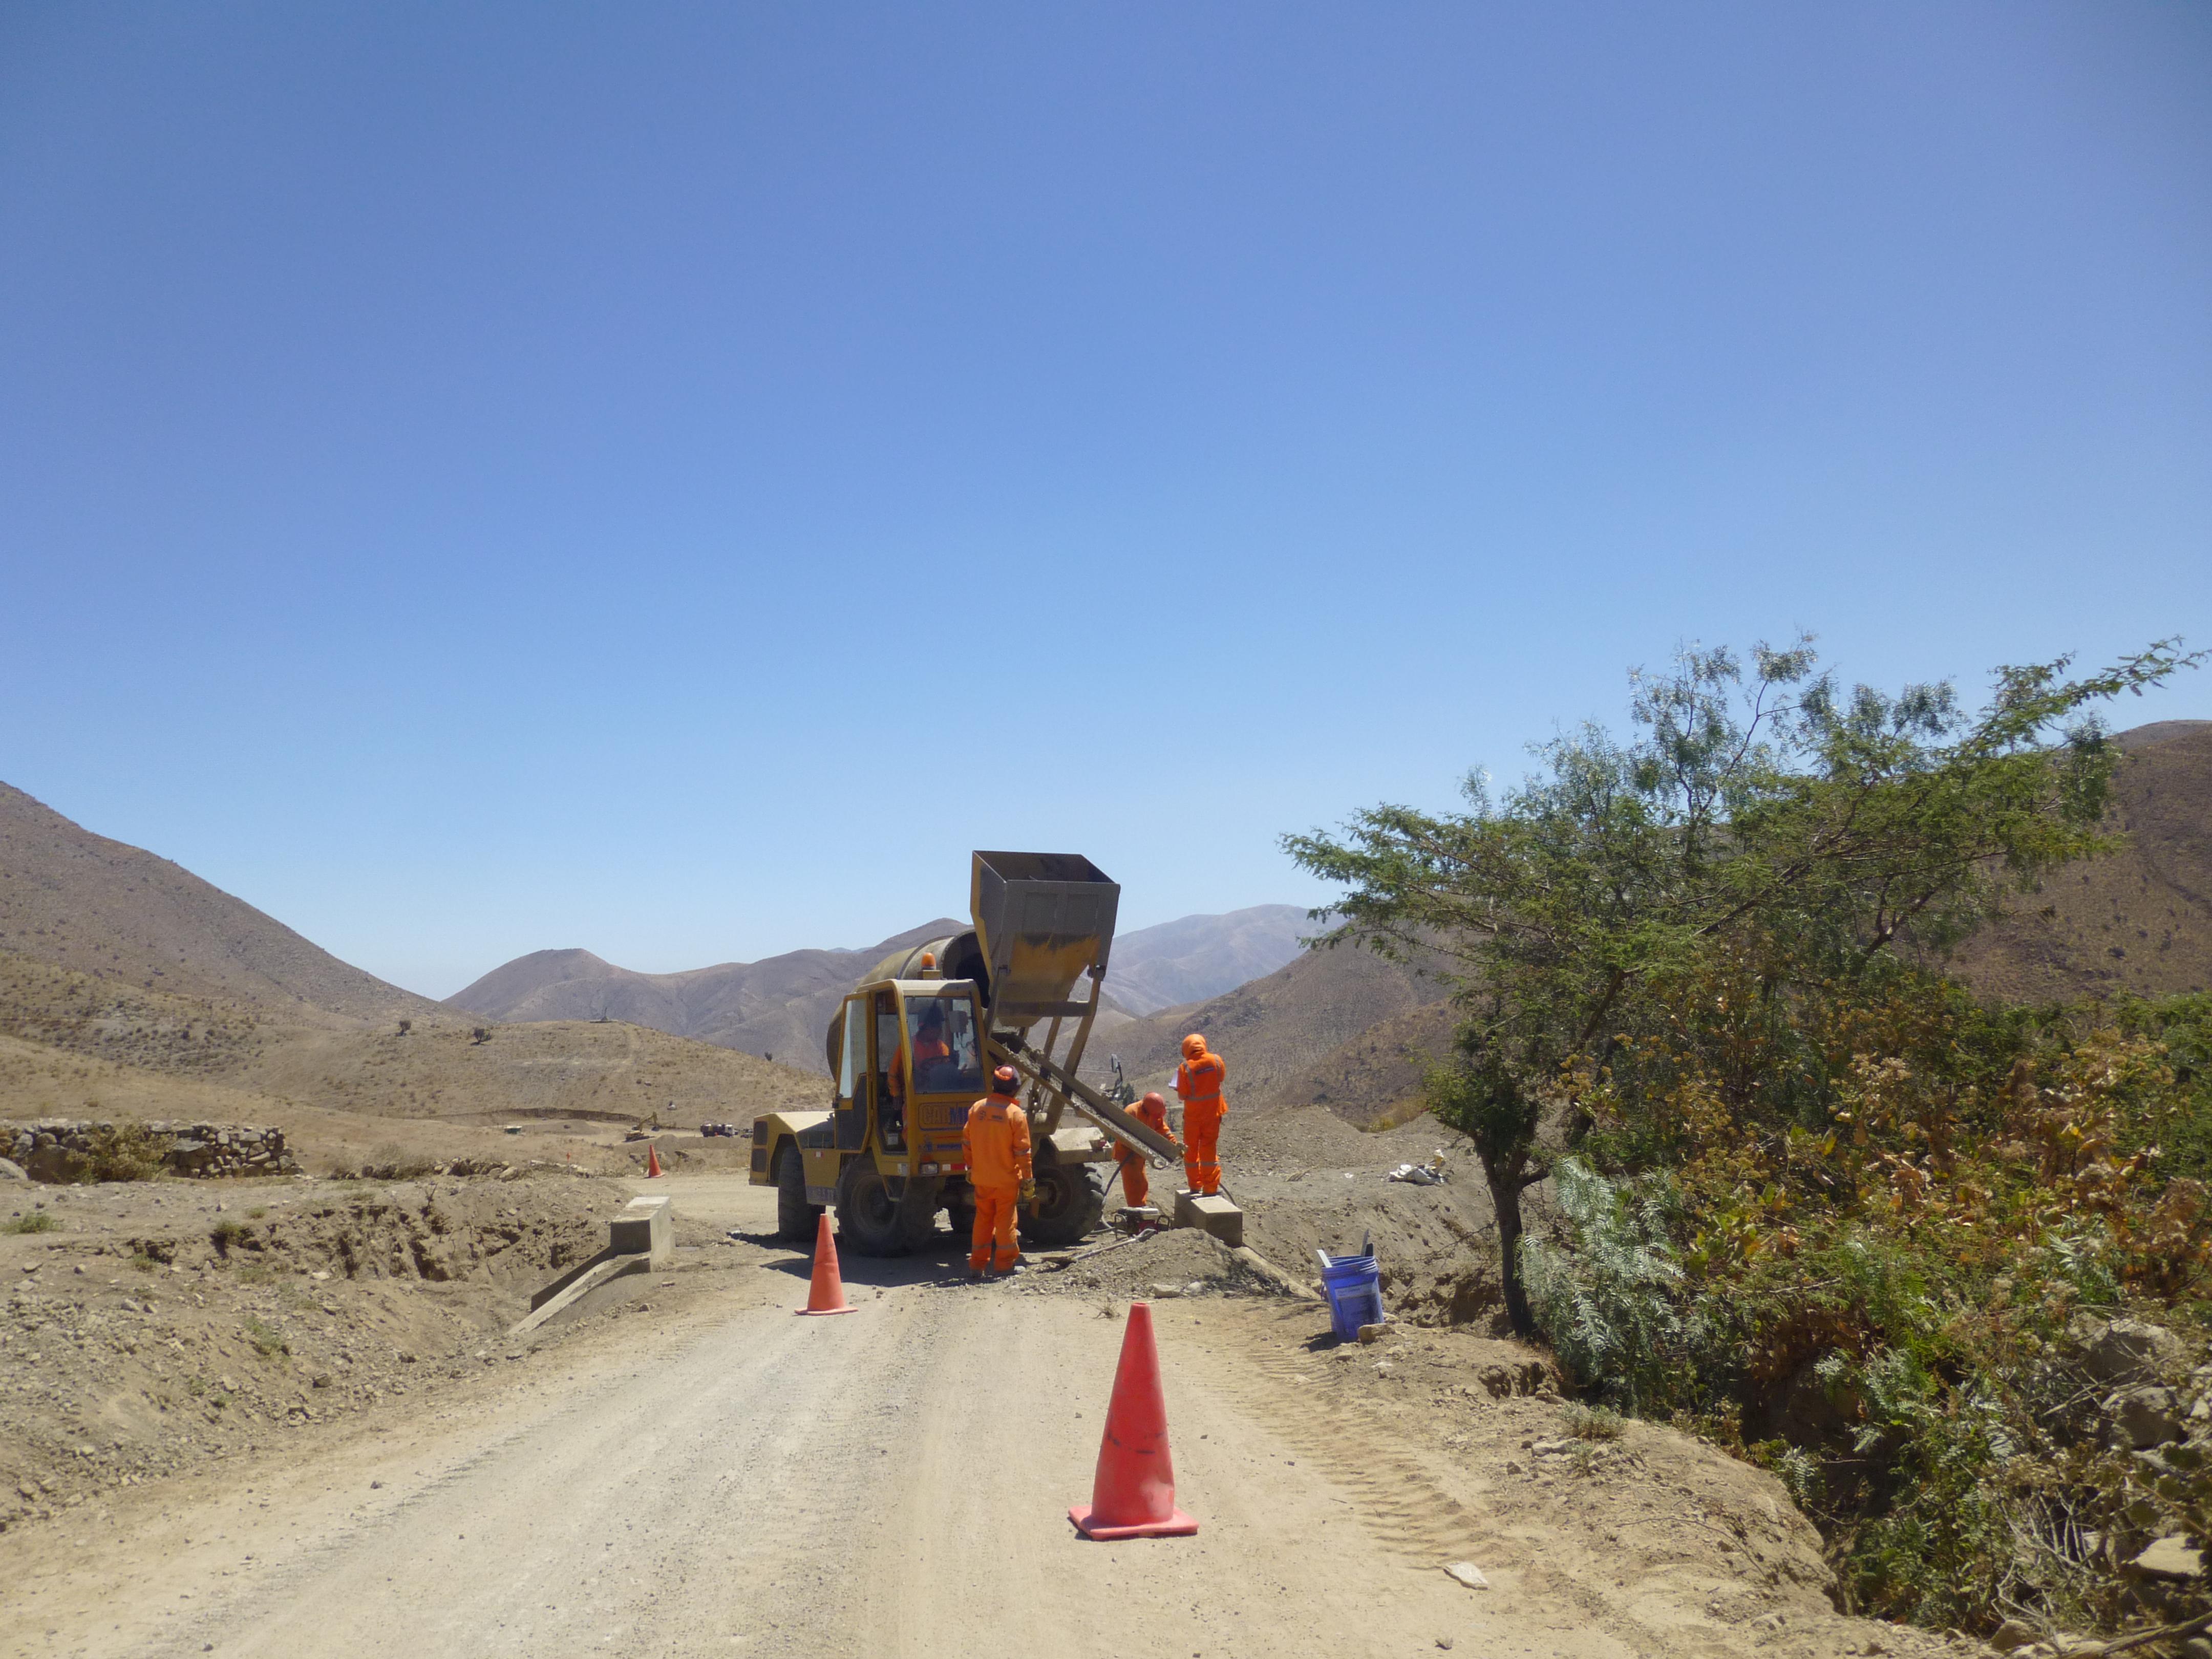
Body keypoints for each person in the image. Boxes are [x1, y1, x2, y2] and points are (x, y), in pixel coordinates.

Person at [961, 1064, 1033, 1281]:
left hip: (982, 1179)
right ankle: (1003, 1266)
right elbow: (1023, 1152)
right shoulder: (1015, 1115)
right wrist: (1028, 1179)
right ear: (1015, 1089)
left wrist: (971, 1166)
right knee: (1005, 1221)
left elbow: (966, 1141)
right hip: (1006, 1181)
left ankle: (977, 1265)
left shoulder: (977, 1109)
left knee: (983, 1219)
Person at [1174, 1034, 1227, 1197]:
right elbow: (1221, 1077)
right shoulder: (1216, 1060)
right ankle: (1210, 1189)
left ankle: (1195, 1186)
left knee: (1190, 1151)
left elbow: (1182, 1095)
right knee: (1209, 1150)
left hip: (1193, 1118)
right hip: (1212, 1115)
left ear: (1186, 1050)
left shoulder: (1185, 1068)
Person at [1114, 1090, 1174, 1209]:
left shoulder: (1154, 1111)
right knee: (1133, 1183)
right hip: (1128, 1154)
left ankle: (1141, 1206)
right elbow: (1122, 1136)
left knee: (1142, 1182)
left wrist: (1174, 1145)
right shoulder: (1131, 1112)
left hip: (1140, 1155)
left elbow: (1163, 1130)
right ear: (1146, 1110)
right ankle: (1135, 1209)